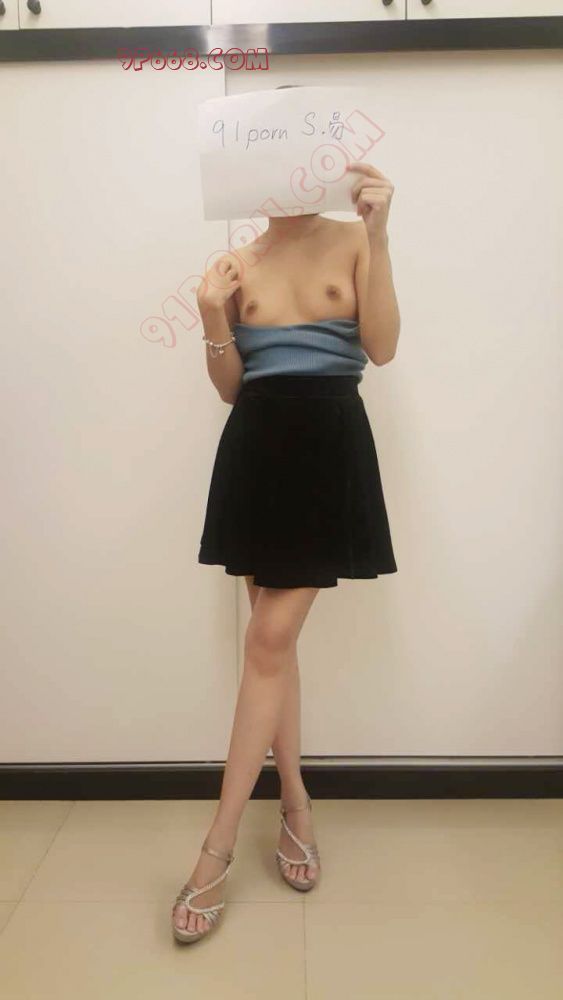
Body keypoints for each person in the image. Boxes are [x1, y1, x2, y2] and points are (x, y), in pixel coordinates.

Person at [171, 105, 400, 943]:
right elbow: (233, 388)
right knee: (274, 646)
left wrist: (381, 234)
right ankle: (296, 802)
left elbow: (381, 348)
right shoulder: (237, 261)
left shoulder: (352, 236)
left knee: (266, 642)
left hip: (328, 445)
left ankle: (216, 848)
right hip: (256, 449)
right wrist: (211, 317)